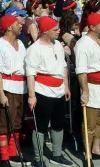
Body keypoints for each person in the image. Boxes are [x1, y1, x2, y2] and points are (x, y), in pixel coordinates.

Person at [25, 16, 72, 167]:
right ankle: (38, 159)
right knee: (41, 125)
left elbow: (63, 66)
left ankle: (57, 155)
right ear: (45, 32)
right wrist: (32, 95)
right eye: (55, 29)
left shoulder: (57, 44)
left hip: (59, 90)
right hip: (43, 91)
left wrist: (65, 86)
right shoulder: (34, 49)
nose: (59, 31)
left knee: (58, 123)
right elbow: (30, 74)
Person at [74, 13, 100, 163]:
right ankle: (87, 156)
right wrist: (85, 92)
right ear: (92, 27)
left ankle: (96, 149)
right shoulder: (83, 44)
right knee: (89, 124)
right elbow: (82, 70)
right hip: (93, 87)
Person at [0, 15, 30, 167]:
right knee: (4, 123)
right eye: (17, 23)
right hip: (7, 87)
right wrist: (1, 93)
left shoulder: (20, 43)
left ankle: (14, 153)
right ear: (8, 27)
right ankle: (4, 157)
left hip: (22, 88)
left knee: (17, 122)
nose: (21, 25)